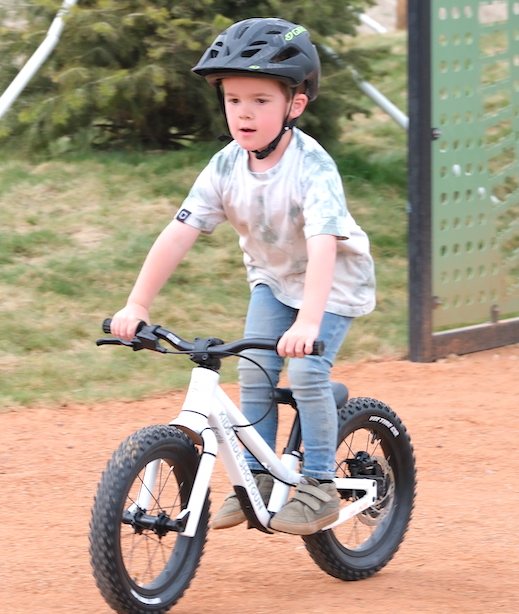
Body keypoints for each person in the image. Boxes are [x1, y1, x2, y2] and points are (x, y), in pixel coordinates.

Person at [109, 17, 375, 536]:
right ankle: (255, 478)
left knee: (305, 372)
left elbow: (324, 245)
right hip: (274, 281)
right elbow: (179, 232)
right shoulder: (226, 165)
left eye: (260, 100)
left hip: (333, 285)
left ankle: (318, 484)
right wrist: (137, 304)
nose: (244, 112)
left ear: (294, 105)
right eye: (234, 100)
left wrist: (309, 323)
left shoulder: (312, 166)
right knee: (254, 370)